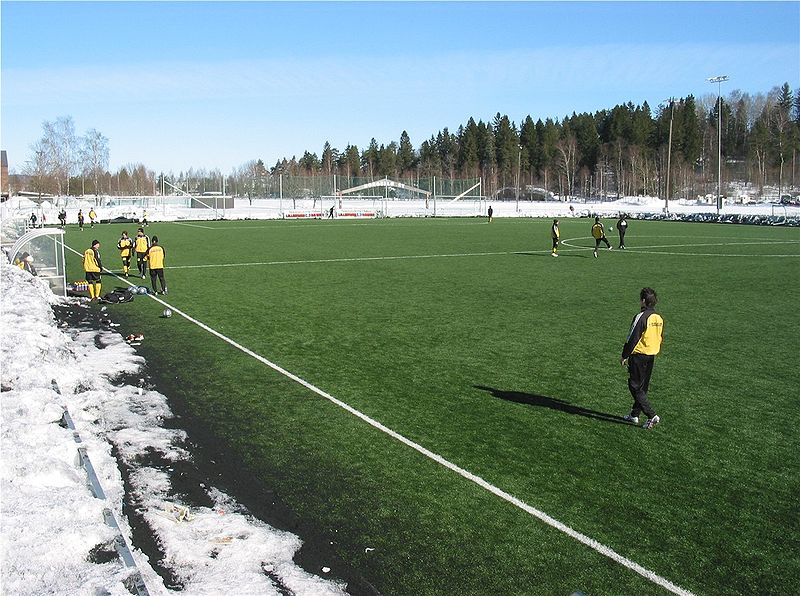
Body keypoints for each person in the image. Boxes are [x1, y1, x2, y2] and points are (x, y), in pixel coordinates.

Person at [621, 287, 664, 429]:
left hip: (638, 355)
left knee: (634, 386)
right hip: (651, 355)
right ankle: (634, 415)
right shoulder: (658, 317)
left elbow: (633, 337)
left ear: (644, 301)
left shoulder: (641, 317)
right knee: (642, 387)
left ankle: (652, 415)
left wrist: (624, 355)